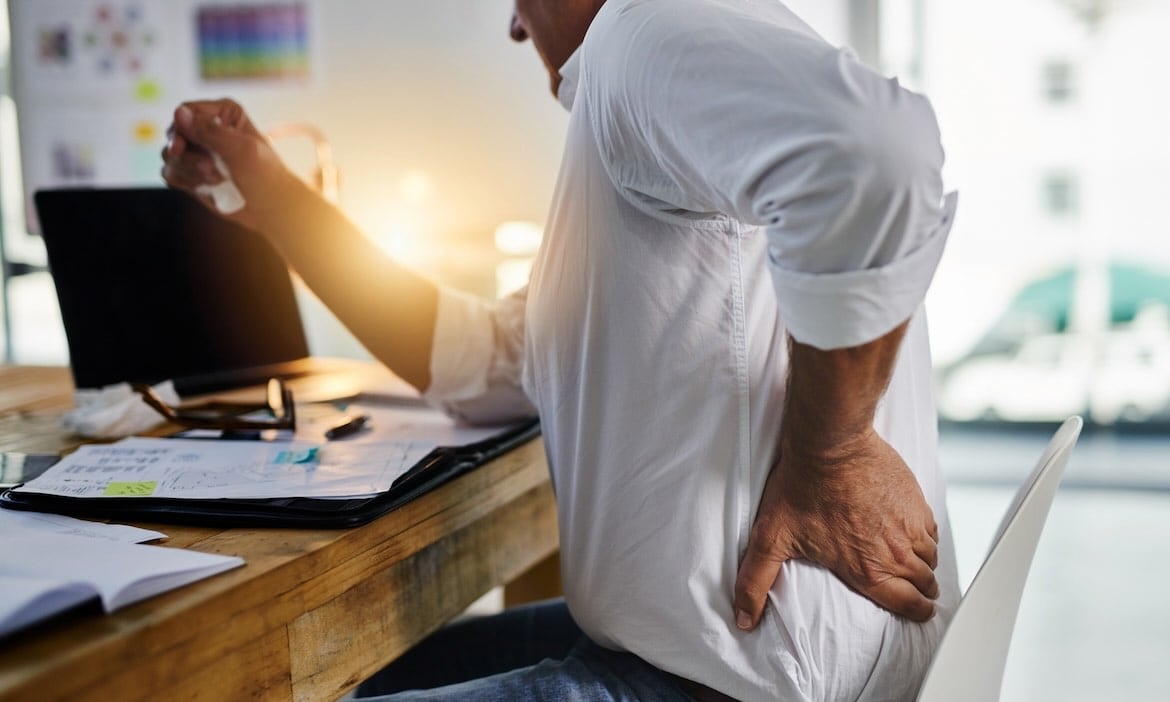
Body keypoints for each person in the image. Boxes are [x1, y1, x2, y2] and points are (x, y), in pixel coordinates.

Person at [161, 0, 962, 699]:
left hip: (715, 681)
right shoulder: (655, 73)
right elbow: (483, 356)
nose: (515, 25)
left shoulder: (641, 31)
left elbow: (877, 156)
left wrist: (835, 452)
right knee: (333, 676)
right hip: (698, 659)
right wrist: (274, 200)